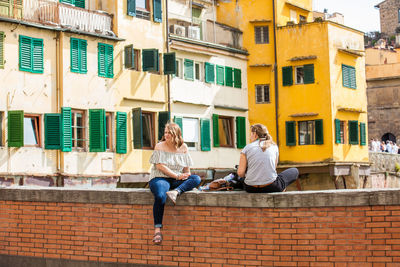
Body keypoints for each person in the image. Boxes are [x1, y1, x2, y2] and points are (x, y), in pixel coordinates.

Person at [148, 122, 201, 245]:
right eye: (165, 132)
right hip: (160, 178)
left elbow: (187, 169)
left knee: (196, 179)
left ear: (176, 134)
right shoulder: (159, 146)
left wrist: (186, 176)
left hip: (177, 180)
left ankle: (176, 192)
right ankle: (157, 230)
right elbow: (160, 166)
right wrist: (177, 176)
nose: (166, 135)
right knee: (160, 196)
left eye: (169, 133)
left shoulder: (184, 147)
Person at [237, 123, 299, 193]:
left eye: (250, 134)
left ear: (255, 134)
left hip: (250, 188)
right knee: (295, 170)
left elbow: (240, 173)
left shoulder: (247, 148)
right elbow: (273, 168)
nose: (250, 136)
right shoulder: (274, 146)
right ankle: (282, 188)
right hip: (271, 187)